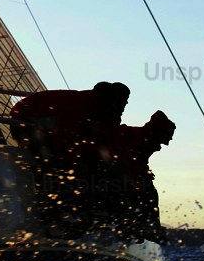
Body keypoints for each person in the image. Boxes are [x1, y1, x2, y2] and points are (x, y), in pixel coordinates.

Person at [10, 81, 130, 227]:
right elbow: (64, 139)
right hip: (23, 123)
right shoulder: (78, 107)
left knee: (73, 166)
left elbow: (84, 141)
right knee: (53, 164)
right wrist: (75, 164)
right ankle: (48, 213)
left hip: (39, 127)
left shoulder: (91, 108)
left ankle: (67, 210)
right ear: (105, 101)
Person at [105, 109, 176, 239]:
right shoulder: (140, 138)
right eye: (166, 138)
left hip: (123, 172)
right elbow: (126, 159)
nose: (167, 142)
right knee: (138, 194)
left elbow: (138, 161)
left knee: (148, 193)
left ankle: (145, 226)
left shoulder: (147, 141)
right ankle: (132, 226)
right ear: (159, 132)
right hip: (113, 172)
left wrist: (144, 172)